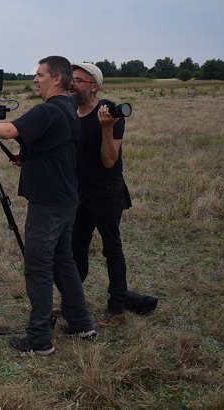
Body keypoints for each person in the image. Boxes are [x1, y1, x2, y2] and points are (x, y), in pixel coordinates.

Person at [0, 56, 95, 356]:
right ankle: (81, 323)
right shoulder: (68, 109)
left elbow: (10, 131)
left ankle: (39, 340)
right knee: (63, 262)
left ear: (57, 79)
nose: (35, 79)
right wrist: (30, 157)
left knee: (38, 268)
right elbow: (56, 144)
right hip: (65, 198)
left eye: (40, 74)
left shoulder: (48, 110)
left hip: (48, 203)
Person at [69, 63, 157, 327]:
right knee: (75, 249)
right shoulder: (71, 114)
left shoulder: (109, 113)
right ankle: (73, 303)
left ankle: (117, 309)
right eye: (70, 79)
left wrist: (106, 128)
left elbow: (109, 161)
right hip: (78, 194)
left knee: (112, 250)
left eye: (78, 81)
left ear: (94, 86)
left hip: (106, 194)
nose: (72, 84)